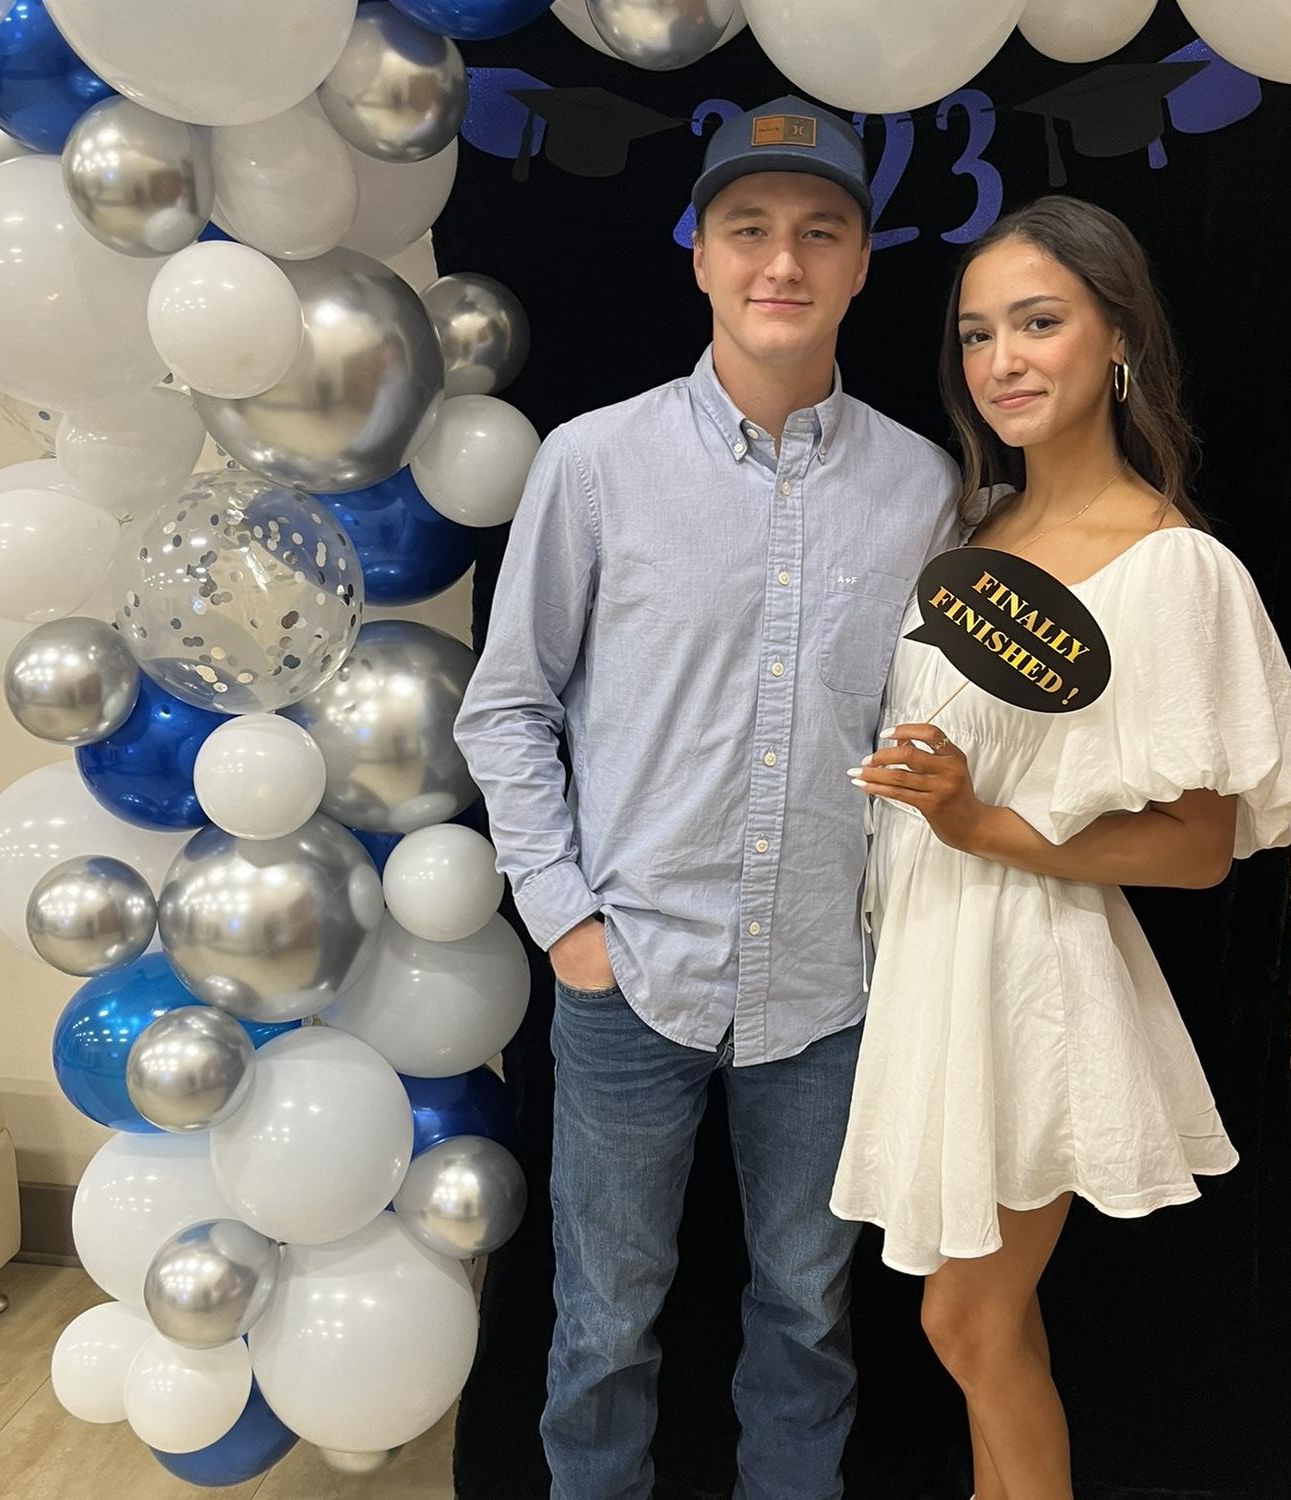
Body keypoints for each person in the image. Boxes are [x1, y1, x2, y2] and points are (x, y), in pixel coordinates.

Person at [453, 96, 959, 1500]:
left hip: (828, 992)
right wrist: (567, 923)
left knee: (808, 1314)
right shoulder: (593, 464)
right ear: (699, 254)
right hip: (632, 975)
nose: (782, 261)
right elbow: (508, 705)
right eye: (749, 229)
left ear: (862, 262)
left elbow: (927, 735)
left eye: (820, 231)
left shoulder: (922, 489)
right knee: (604, 1322)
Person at [831, 195, 1291, 1500]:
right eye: (978, 332)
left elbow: (1198, 849)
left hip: (1033, 974)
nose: (1002, 360)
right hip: (930, 959)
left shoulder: (1174, 569)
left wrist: (976, 820)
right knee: (979, 1323)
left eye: (1039, 322)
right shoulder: (970, 530)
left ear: (1118, 337)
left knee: (965, 1320)